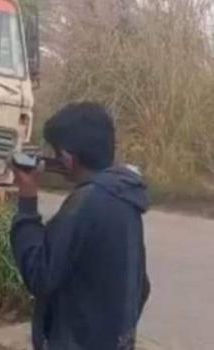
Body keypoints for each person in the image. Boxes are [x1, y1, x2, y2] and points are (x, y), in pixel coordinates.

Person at [10, 102, 150, 350]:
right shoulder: (125, 197)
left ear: (67, 158)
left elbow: (39, 275)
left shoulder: (85, 203)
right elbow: (142, 287)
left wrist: (27, 200)